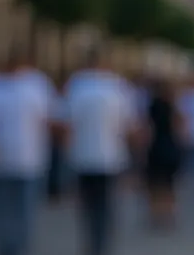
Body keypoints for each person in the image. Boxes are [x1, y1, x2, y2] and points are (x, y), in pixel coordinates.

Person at [0, 50, 58, 255]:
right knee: (13, 210)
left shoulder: (31, 85)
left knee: (13, 210)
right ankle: (10, 247)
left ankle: (13, 247)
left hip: (20, 160)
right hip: (11, 160)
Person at [64, 48, 140, 255]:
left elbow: (66, 123)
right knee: (106, 206)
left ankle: (91, 243)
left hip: (82, 156)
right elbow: (131, 127)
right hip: (111, 157)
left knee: (88, 206)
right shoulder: (118, 87)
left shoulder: (76, 85)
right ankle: (102, 244)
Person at [143, 78, 184, 229]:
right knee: (169, 184)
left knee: (154, 184)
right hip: (170, 146)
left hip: (155, 147)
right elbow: (179, 126)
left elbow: (146, 129)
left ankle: (155, 215)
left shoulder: (151, 106)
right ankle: (168, 215)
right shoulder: (173, 107)